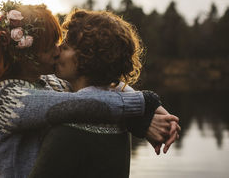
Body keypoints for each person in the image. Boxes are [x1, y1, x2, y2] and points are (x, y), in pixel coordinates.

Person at [0, 1, 179, 178]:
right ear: (25, 55)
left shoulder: (49, 81)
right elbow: (80, 105)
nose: (57, 50)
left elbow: (107, 86)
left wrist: (150, 112)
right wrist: (144, 105)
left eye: (59, 43)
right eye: (50, 45)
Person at [29, 9, 179, 178]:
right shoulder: (122, 123)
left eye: (67, 46)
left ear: (87, 58)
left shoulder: (66, 133)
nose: (57, 50)